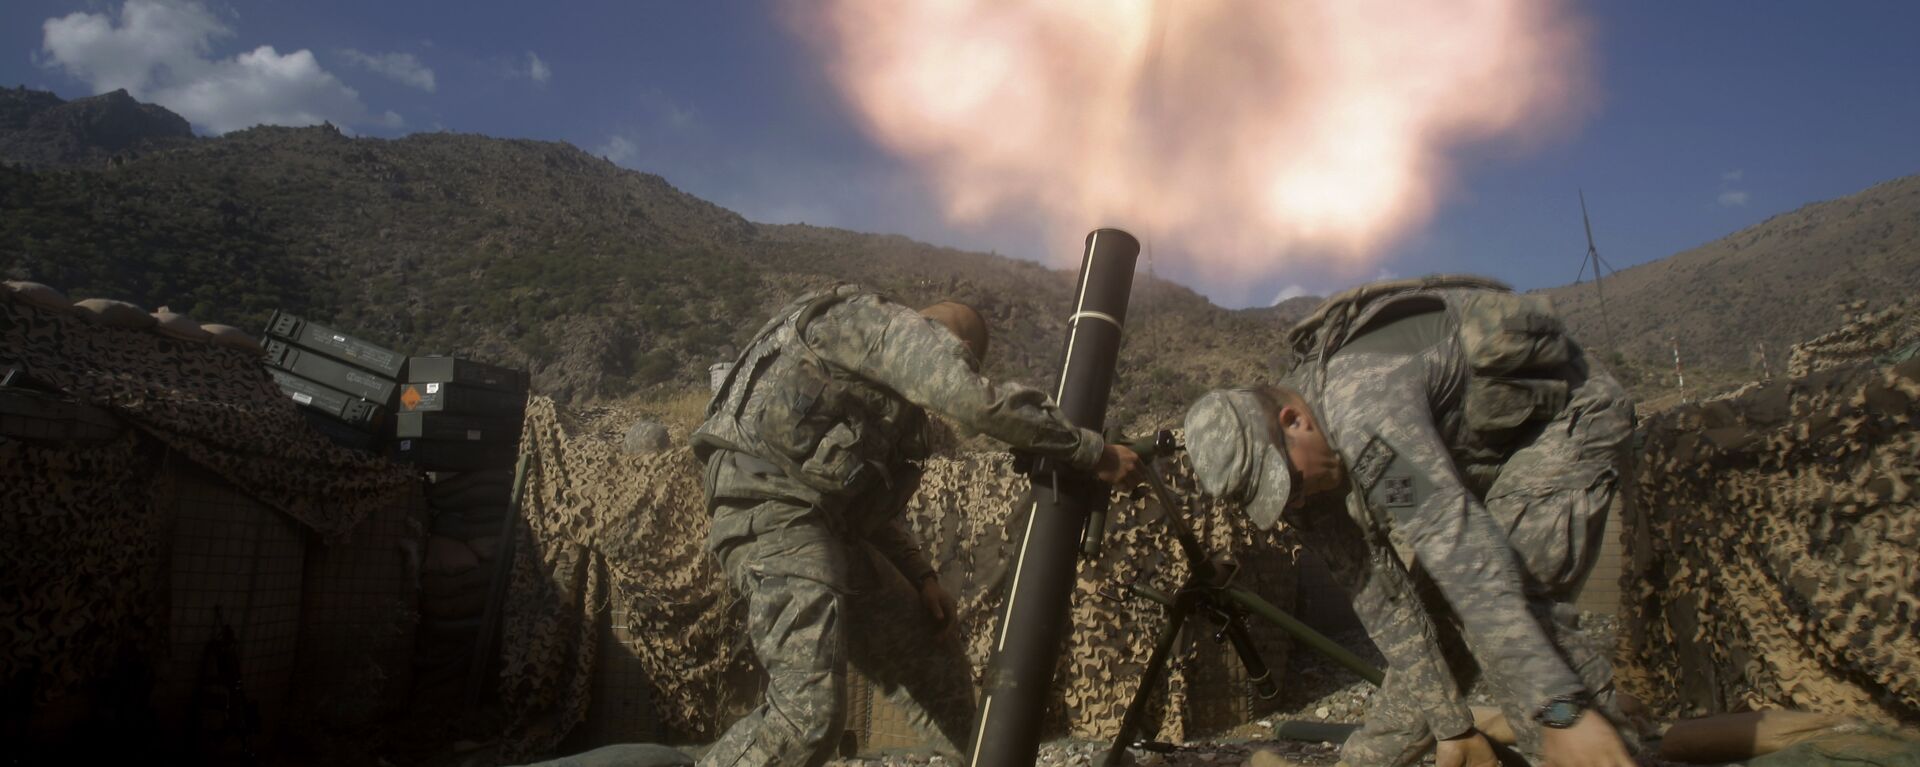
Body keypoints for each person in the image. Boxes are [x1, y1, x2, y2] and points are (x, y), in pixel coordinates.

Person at [1181, 275, 1637, 767]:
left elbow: (1460, 549)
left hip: (1564, 425)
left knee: (1508, 613)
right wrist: (1453, 727)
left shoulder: (1366, 418)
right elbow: (1384, 603)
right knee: (1437, 633)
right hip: (1479, 457)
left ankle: (1598, 744)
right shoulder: (1306, 490)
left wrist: (1557, 710)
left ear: (1295, 420)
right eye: (1274, 496)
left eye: (1285, 481)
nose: (1291, 502)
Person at [690, 283, 1141, 767]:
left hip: (823, 525)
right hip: (773, 512)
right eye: (958, 359)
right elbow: (976, 402)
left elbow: (863, 503)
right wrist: (1093, 451)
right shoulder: (881, 324)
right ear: (957, 348)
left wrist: (921, 576)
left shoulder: (874, 374)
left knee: (931, 660)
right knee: (808, 720)